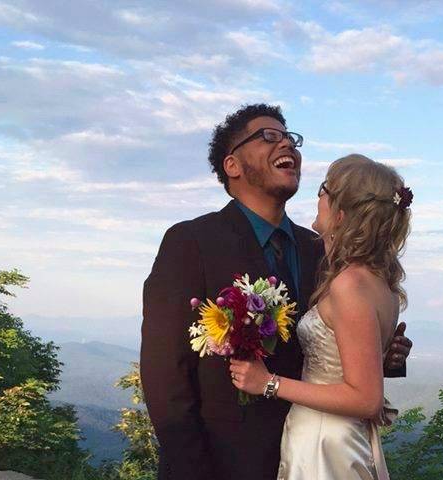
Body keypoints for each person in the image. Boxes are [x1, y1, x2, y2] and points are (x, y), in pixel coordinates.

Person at [141, 104, 413, 480]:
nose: (287, 143)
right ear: (232, 165)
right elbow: (165, 373)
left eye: (290, 137)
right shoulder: (192, 242)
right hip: (222, 464)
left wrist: (383, 358)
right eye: (269, 136)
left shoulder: (318, 249)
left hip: (310, 455)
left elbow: (327, 350)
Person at [230, 154, 412, 479]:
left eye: (324, 189)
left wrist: (268, 383)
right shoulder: (377, 281)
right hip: (335, 437)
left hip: (325, 445)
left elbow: (366, 399)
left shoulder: (349, 285)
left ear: (341, 214)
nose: (318, 197)